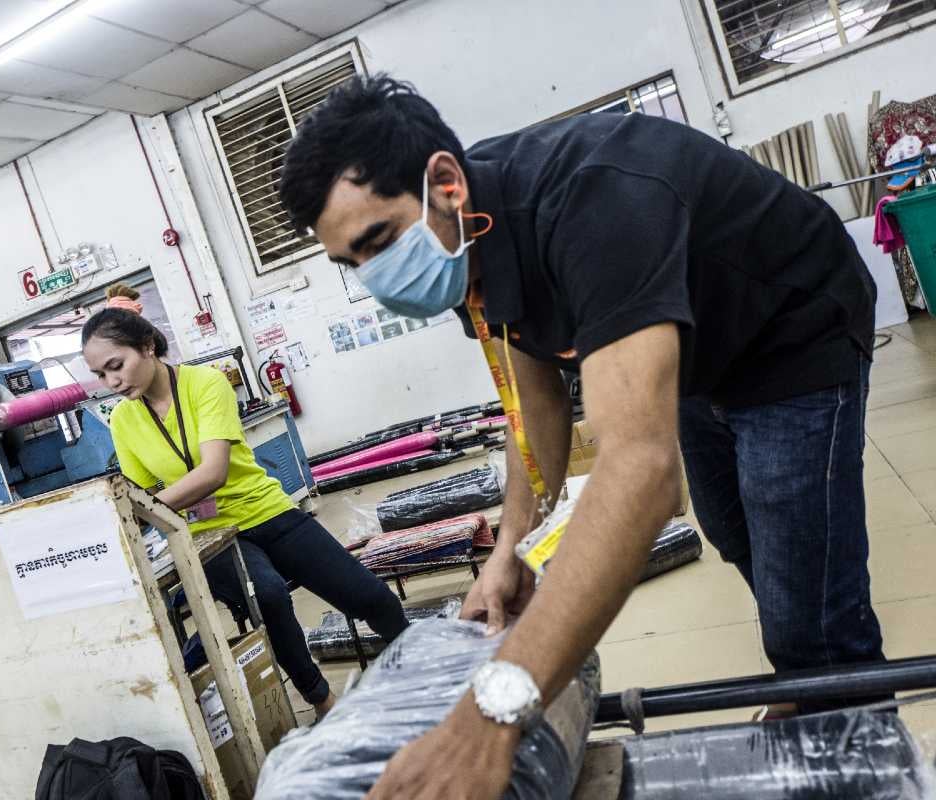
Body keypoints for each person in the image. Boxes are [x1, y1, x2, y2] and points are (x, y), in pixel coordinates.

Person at [279, 75, 884, 798]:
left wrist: (491, 714)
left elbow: (641, 473)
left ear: (444, 182)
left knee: (802, 574)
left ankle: (851, 721)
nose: (376, 278)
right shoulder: (465, 239)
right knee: (735, 530)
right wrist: (509, 548)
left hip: (792, 331)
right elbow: (531, 396)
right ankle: (805, 675)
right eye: (353, 264)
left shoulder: (594, 205)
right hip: (698, 350)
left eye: (377, 242)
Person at [82, 283, 407, 718]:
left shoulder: (205, 383)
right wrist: (138, 509)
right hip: (205, 535)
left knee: (372, 598)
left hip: (264, 510)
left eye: (115, 366)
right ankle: (322, 700)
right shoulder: (122, 419)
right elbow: (143, 494)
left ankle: (426, 666)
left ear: (147, 346)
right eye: (101, 375)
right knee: (268, 595)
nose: (111, 382)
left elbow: (211, 472)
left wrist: (144, 506)